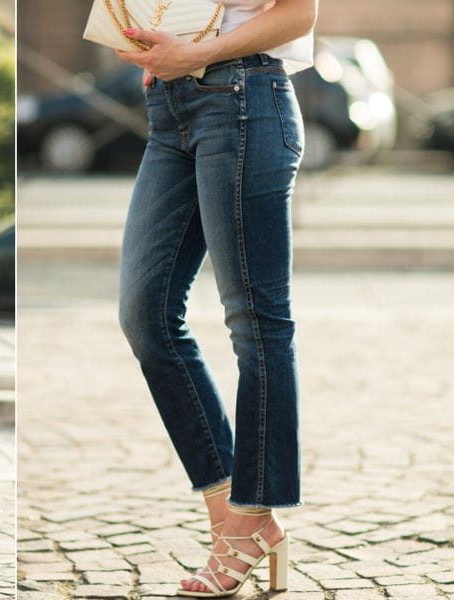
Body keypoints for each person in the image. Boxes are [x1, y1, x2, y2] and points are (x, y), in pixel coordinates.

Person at [114, 0, 317, 596]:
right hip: (169, 108)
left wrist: (194, 53)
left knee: (256, 323)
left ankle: (252, 516)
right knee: (144, 315)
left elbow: (298, 13)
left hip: (247, 99)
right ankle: (233, 512)